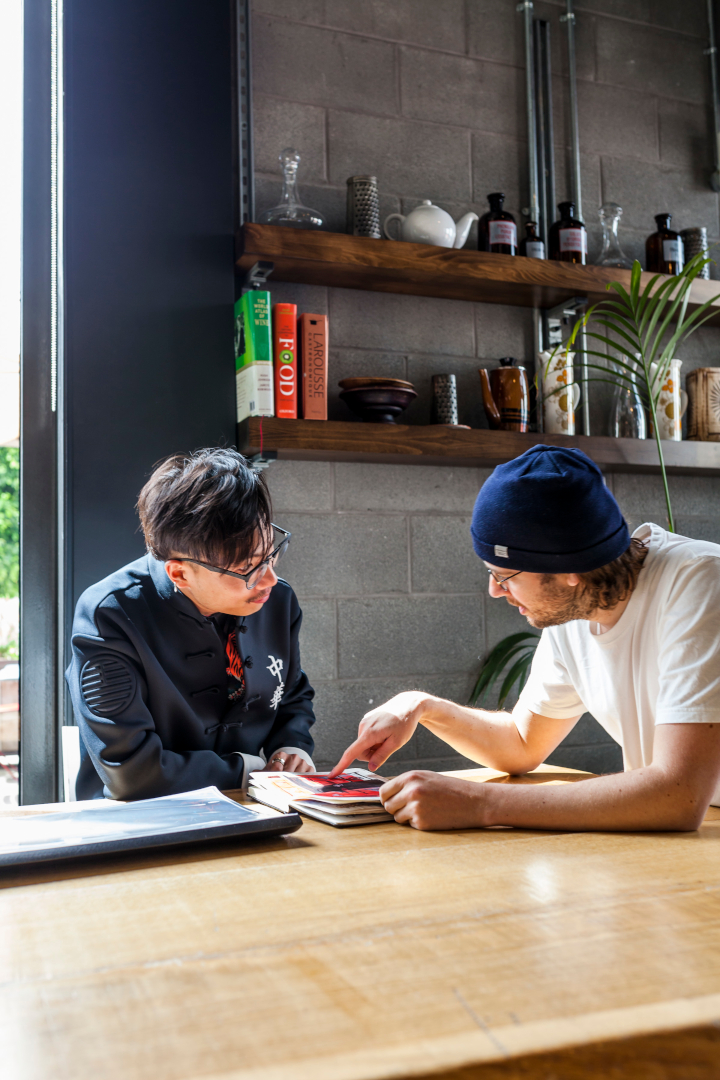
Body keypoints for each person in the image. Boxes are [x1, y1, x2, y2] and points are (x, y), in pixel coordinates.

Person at [332, 445, 720, 832]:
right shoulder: (575, 611)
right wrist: (421, 706)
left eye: (504, 576)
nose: (495, 592)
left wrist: (480, 803)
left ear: (571, 569)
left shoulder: (701, 584)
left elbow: (678, 793)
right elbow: (522, 743)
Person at [67, 448, 316, 800]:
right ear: (180, 572)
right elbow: (131, 772)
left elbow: (291, 693)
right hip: (141, 824)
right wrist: (251, 771)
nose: (270, 579)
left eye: (271, 554)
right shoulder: (109, 614)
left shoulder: (276, 600)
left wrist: (292, 748)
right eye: (248, 568)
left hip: (250, 810)